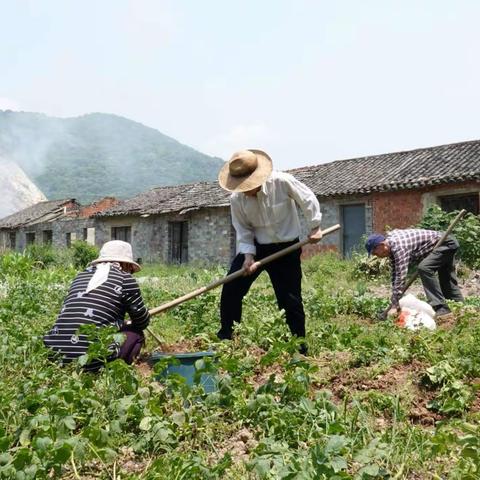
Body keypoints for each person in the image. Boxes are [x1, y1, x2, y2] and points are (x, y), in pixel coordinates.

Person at [217, 149, 323, 353]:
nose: (244, 190)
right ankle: (227, 339)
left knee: (290, 299)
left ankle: (299, 346)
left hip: (286, 248)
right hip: (256, 247)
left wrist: (315, 226)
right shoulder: (236, 199)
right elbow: (243, 229)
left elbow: (307, 199)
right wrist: (248, 256)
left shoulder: (282, 182)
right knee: (231, 288)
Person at [44, 240, 150, 371]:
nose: (130, 272)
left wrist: (120, 322)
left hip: (54, 355)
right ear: (126, 264)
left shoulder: (80, 276)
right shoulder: (125, 279)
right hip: (94, 361)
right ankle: (114, 368)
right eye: (130, 270)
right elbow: (141, 322)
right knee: (136, 333)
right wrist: (140, 315)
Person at [365, 229, 464, 319]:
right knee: (446, 280)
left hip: (445, 243)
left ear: (381, 245)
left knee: (424, 268)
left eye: (375, 253)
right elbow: (395, 276)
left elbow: (400, 276)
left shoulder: (399, 246)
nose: (376, 256)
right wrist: (395, 303)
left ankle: (440, 307)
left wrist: (395, 305)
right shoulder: (391, 248)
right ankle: (461, 308)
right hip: (442, 244)